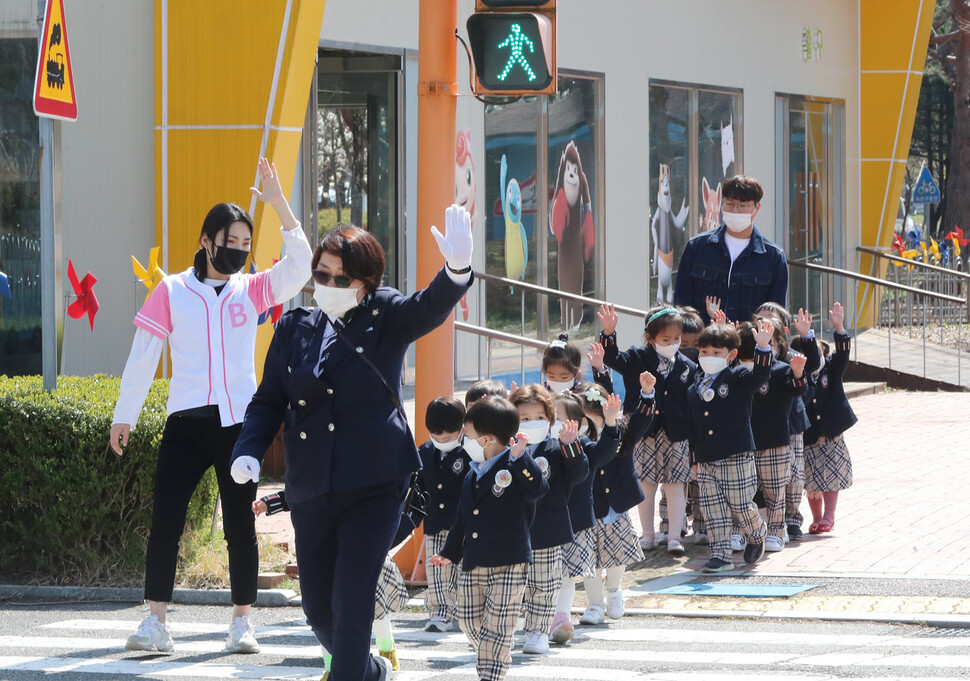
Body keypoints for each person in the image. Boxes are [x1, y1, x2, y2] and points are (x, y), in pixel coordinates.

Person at [228, 204, 474, 681]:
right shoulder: (294, 327)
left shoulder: (386, 314)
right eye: (322, 274)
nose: (329, 285)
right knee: (319, 608)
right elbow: (269, 398)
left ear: (366, 282)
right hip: (312, 485)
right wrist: (247, 450)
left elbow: (428, 307)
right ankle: (368, 670)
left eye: (342, 279)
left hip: (375, 481)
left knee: (352, 598)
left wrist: (457, 270)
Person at [110, 158, 312, 654]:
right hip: (185, 424)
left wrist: (278, 203)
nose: (239, 251)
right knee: (167, 523)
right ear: (207, 240)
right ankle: (155, 622)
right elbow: (143, 356)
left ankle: (242, 623)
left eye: (245, 243)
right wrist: (125, 413)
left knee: (241, 527)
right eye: (231, 241)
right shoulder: (171, 290)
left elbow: (301, 264)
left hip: (239, 426)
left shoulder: (254, 289)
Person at [429, 396, 549, 681]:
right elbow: (462, 518)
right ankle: (493, 654)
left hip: (510, 561)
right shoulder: (473, 472)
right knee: (468, 620)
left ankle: (490, 673)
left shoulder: (515, 463)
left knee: (497, 626)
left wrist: (521, 458)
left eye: (468, 434)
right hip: (474, 560)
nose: (464, 439)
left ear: (487, 439)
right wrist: (449, 552)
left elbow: (538, 489)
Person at [253, 490, 409, 675]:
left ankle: (387, 649)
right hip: (325, 557)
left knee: (376, 612)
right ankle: (331, 667)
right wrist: (271, 502)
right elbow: (302, 491)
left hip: (364, 552)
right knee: (326, 616)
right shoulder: (318, 477)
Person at [597, 303, 697, 556]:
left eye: (677, 338)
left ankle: (675, 536)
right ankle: (647, 534)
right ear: (651, 338)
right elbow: (612, 358)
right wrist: (609, 333)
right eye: (666, 338)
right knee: (646, 483)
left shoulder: (688, 365)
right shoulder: (637, 357)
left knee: (676, 485)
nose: (673, 342)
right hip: (644, 431)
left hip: (676, 433)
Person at [687, 319, 774, 573]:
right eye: (704, 352)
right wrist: (694, 458)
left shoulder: (738, 376)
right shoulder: (695, 385)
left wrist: (763, 349)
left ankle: (757, 531)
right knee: (713, 509)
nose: (708, 357)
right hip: (706, 458)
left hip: (735, 455)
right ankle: (720, 555)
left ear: (731, 355)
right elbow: (693, 426)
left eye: (716, 352)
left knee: (740, 504)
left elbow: (760, 376)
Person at [509, 385, 589, 655]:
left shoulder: (557, 447)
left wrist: (571, 445)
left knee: (543, 585)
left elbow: (579, 475)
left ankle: (537, 631)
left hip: (548, 528)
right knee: (511, 585)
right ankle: (504, 630)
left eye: (540, 417)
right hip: (512, 529)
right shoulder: (507, 449)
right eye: (524, 417)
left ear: (551, 420)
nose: (533, 423)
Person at [549, 389, 622, 644]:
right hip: (545, 519)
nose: (554, 422)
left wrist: (610, 422)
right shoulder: (546, 445)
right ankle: (543, 617)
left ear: (579, 424)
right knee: (546, 573)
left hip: (576, 521)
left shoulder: (586, 444)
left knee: (567, 574)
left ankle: (561, 617)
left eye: (559, 416)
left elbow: (606, 452)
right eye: (551, 416)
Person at [674, 175, 787, 324]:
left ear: (756, 208)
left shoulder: (773, 257)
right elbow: (682, 304)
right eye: (729, 204)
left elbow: (776, 315)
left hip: (751, 344)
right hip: (703, 343)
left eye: (743, 205)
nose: (735, 211)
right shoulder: (696, 247)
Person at [737, 320, 807, 553]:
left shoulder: (779, 370)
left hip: (775, 442)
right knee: (744, 491)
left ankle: (777, 531)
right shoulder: (736, 372)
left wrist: (798, 374)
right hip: (746, 443)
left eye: (769, 341)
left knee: (775, 491)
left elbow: (796, 389)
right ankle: (744, 532)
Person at [793, 302, 857, 534]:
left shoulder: (831, 369)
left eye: (818, 352)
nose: (815, 358)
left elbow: (843, 354)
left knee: (831, 477)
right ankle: (817, 517)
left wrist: (839, 327)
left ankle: (829, 516)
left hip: (831, 433)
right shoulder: (801, 378)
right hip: (809, 436)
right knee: (811, 482)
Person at [417, 396, 471, 633]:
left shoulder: (471, 450)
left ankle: (464, 610)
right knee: (436, 570)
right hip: (434, 522)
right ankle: (439, 612)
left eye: (447, 438)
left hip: (463, 522)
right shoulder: (424, 451)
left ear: (462, 429)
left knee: (463, 569)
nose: (440, 442)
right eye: (436, 437)